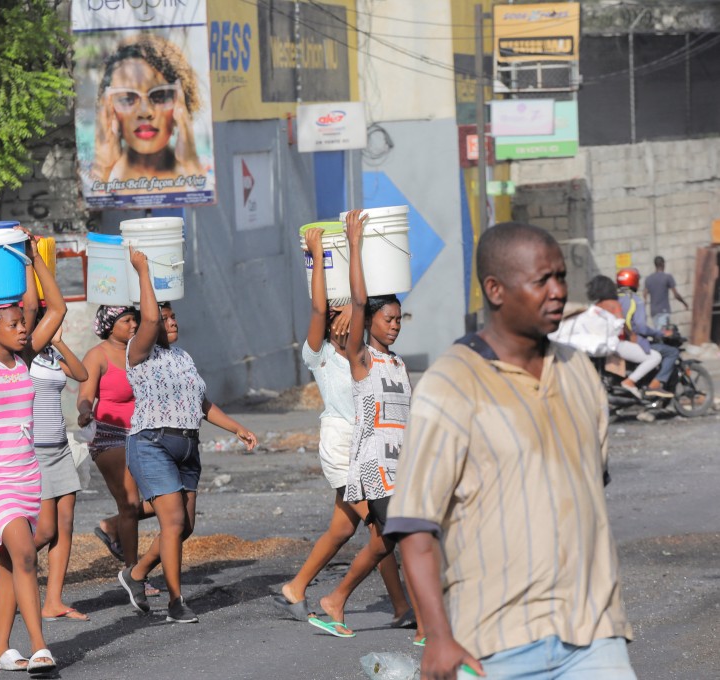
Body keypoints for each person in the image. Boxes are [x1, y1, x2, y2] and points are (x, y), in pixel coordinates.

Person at [387, 222, 635, 680]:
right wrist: (439, 637)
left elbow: (588, 487)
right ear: (495, 290)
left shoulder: (578, 370)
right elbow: (415, 527)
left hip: (593, 632)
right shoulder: (450, 384)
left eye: (560, 276)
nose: (558, 291)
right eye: (542, 280)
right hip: (495, 647)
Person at [273, 226, 414, 634]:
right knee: (379, 525)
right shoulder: (319, 355)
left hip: (369, 445)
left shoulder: (367, 353)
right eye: (339, 315)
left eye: (349, 315)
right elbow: (319, 310)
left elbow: (362, 306)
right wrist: (318, 258)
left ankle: (295, 587)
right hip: (341, 443)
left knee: (343, 528)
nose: (342, 320)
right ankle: (395, 604)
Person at [117, 248, 257, 623]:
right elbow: (147, 317)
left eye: (173, 315)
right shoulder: (138, 352)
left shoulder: (182, 357)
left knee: (185, 527)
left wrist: (237, 427)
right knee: (174, 523)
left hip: (187, 447)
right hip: (152, 443)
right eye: (164, 318)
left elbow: (203, 403)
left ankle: (135, 573)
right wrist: (143, 269)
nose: (171, 321)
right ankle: (176, 602)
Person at [0, 229, 64, 673]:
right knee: (25, 554)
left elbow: (55, 308)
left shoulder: (26, 359)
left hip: (27, 471)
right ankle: (40, 646)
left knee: (17, 551)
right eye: (14, 323)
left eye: (24, 323)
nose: (23, 329)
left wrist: (30, 258)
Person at [77, 306, 157, 582]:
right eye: (127, 320)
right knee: (130, 502)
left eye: (135, 319)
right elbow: (85, 395)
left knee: (169, 498)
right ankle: (134, 573)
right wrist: (84, 411)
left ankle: (112, 526)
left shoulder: (141, 352)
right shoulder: (97, 356)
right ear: (111, 326)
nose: (134, 324)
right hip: (110, 433)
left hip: (144, 432)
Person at [30, 321, 90, 622]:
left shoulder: (51, 356)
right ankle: (3, 561)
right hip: (34, 450)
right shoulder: (23, 355)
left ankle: (53, 601)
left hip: (60, 448)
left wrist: (60, 343)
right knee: (45, 530)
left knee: (66, 524)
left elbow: (81, 374)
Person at [91, 34, 203, 189]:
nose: (145, 112)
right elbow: (92, 209)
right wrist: (103, 166)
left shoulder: (200, 170)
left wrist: (191, 162)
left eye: (159, 96)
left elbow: (209, 208)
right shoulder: (97, 175)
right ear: (108, 107)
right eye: (127, 98)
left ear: (181, 102)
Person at [584, 275, 664, 398]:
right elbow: (621, 324)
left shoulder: (594, 307)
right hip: (615, 345)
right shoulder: (613, 304)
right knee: (655, 357)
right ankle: (630, 381)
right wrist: (634, 337)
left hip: (596, 347)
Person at [617, 268, 677, 398]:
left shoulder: (614, 298)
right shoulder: (635, 299)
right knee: (671, 352)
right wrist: (659, 333)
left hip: (616, 340)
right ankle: (654, 385)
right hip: (632, 341)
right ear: (633, 281)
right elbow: (641, 328)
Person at [644, 256, 688, 329]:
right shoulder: (667, 277)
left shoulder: (648, 279)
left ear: (655, 265)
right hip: (663, 311)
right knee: (663, 334)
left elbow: (644, 294)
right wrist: (684, 303)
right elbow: (676, 295)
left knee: (658, 332)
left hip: (654, 312)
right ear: (663, 264)